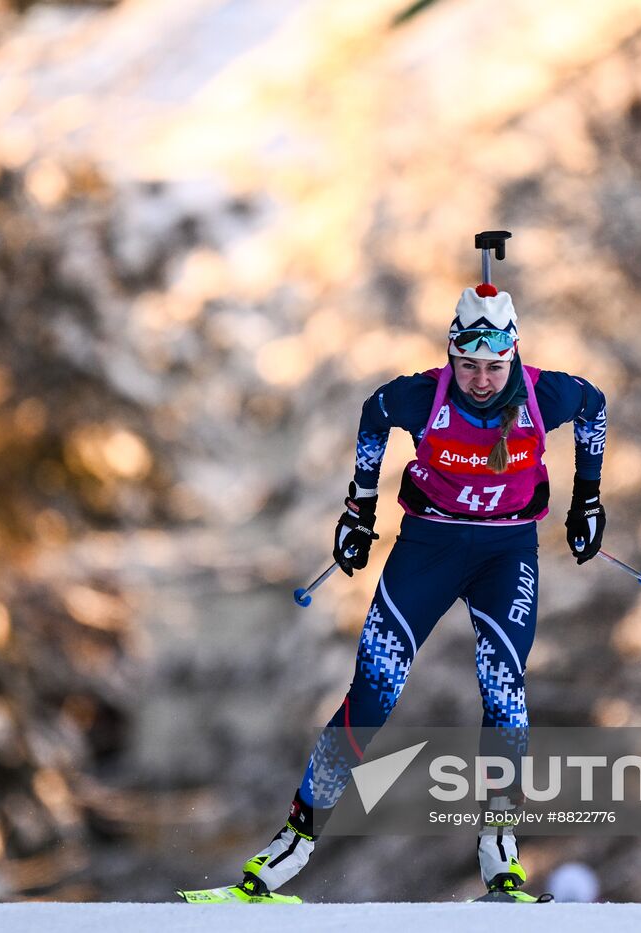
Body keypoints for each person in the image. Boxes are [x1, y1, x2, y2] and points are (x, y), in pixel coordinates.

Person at [238, 282, 608, 901]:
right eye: (468, 365)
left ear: (512, 355)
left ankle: (500, 850)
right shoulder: (421, 395)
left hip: (506, 553)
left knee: (504, 691)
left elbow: (594, 407)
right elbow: (373, 413)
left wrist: (588, 499)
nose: (482, 380)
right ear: (451, 356)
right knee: (375, 690)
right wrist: (358, 509)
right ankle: (293, 843)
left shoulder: (547, 393)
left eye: (494, 366)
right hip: (428, 547)